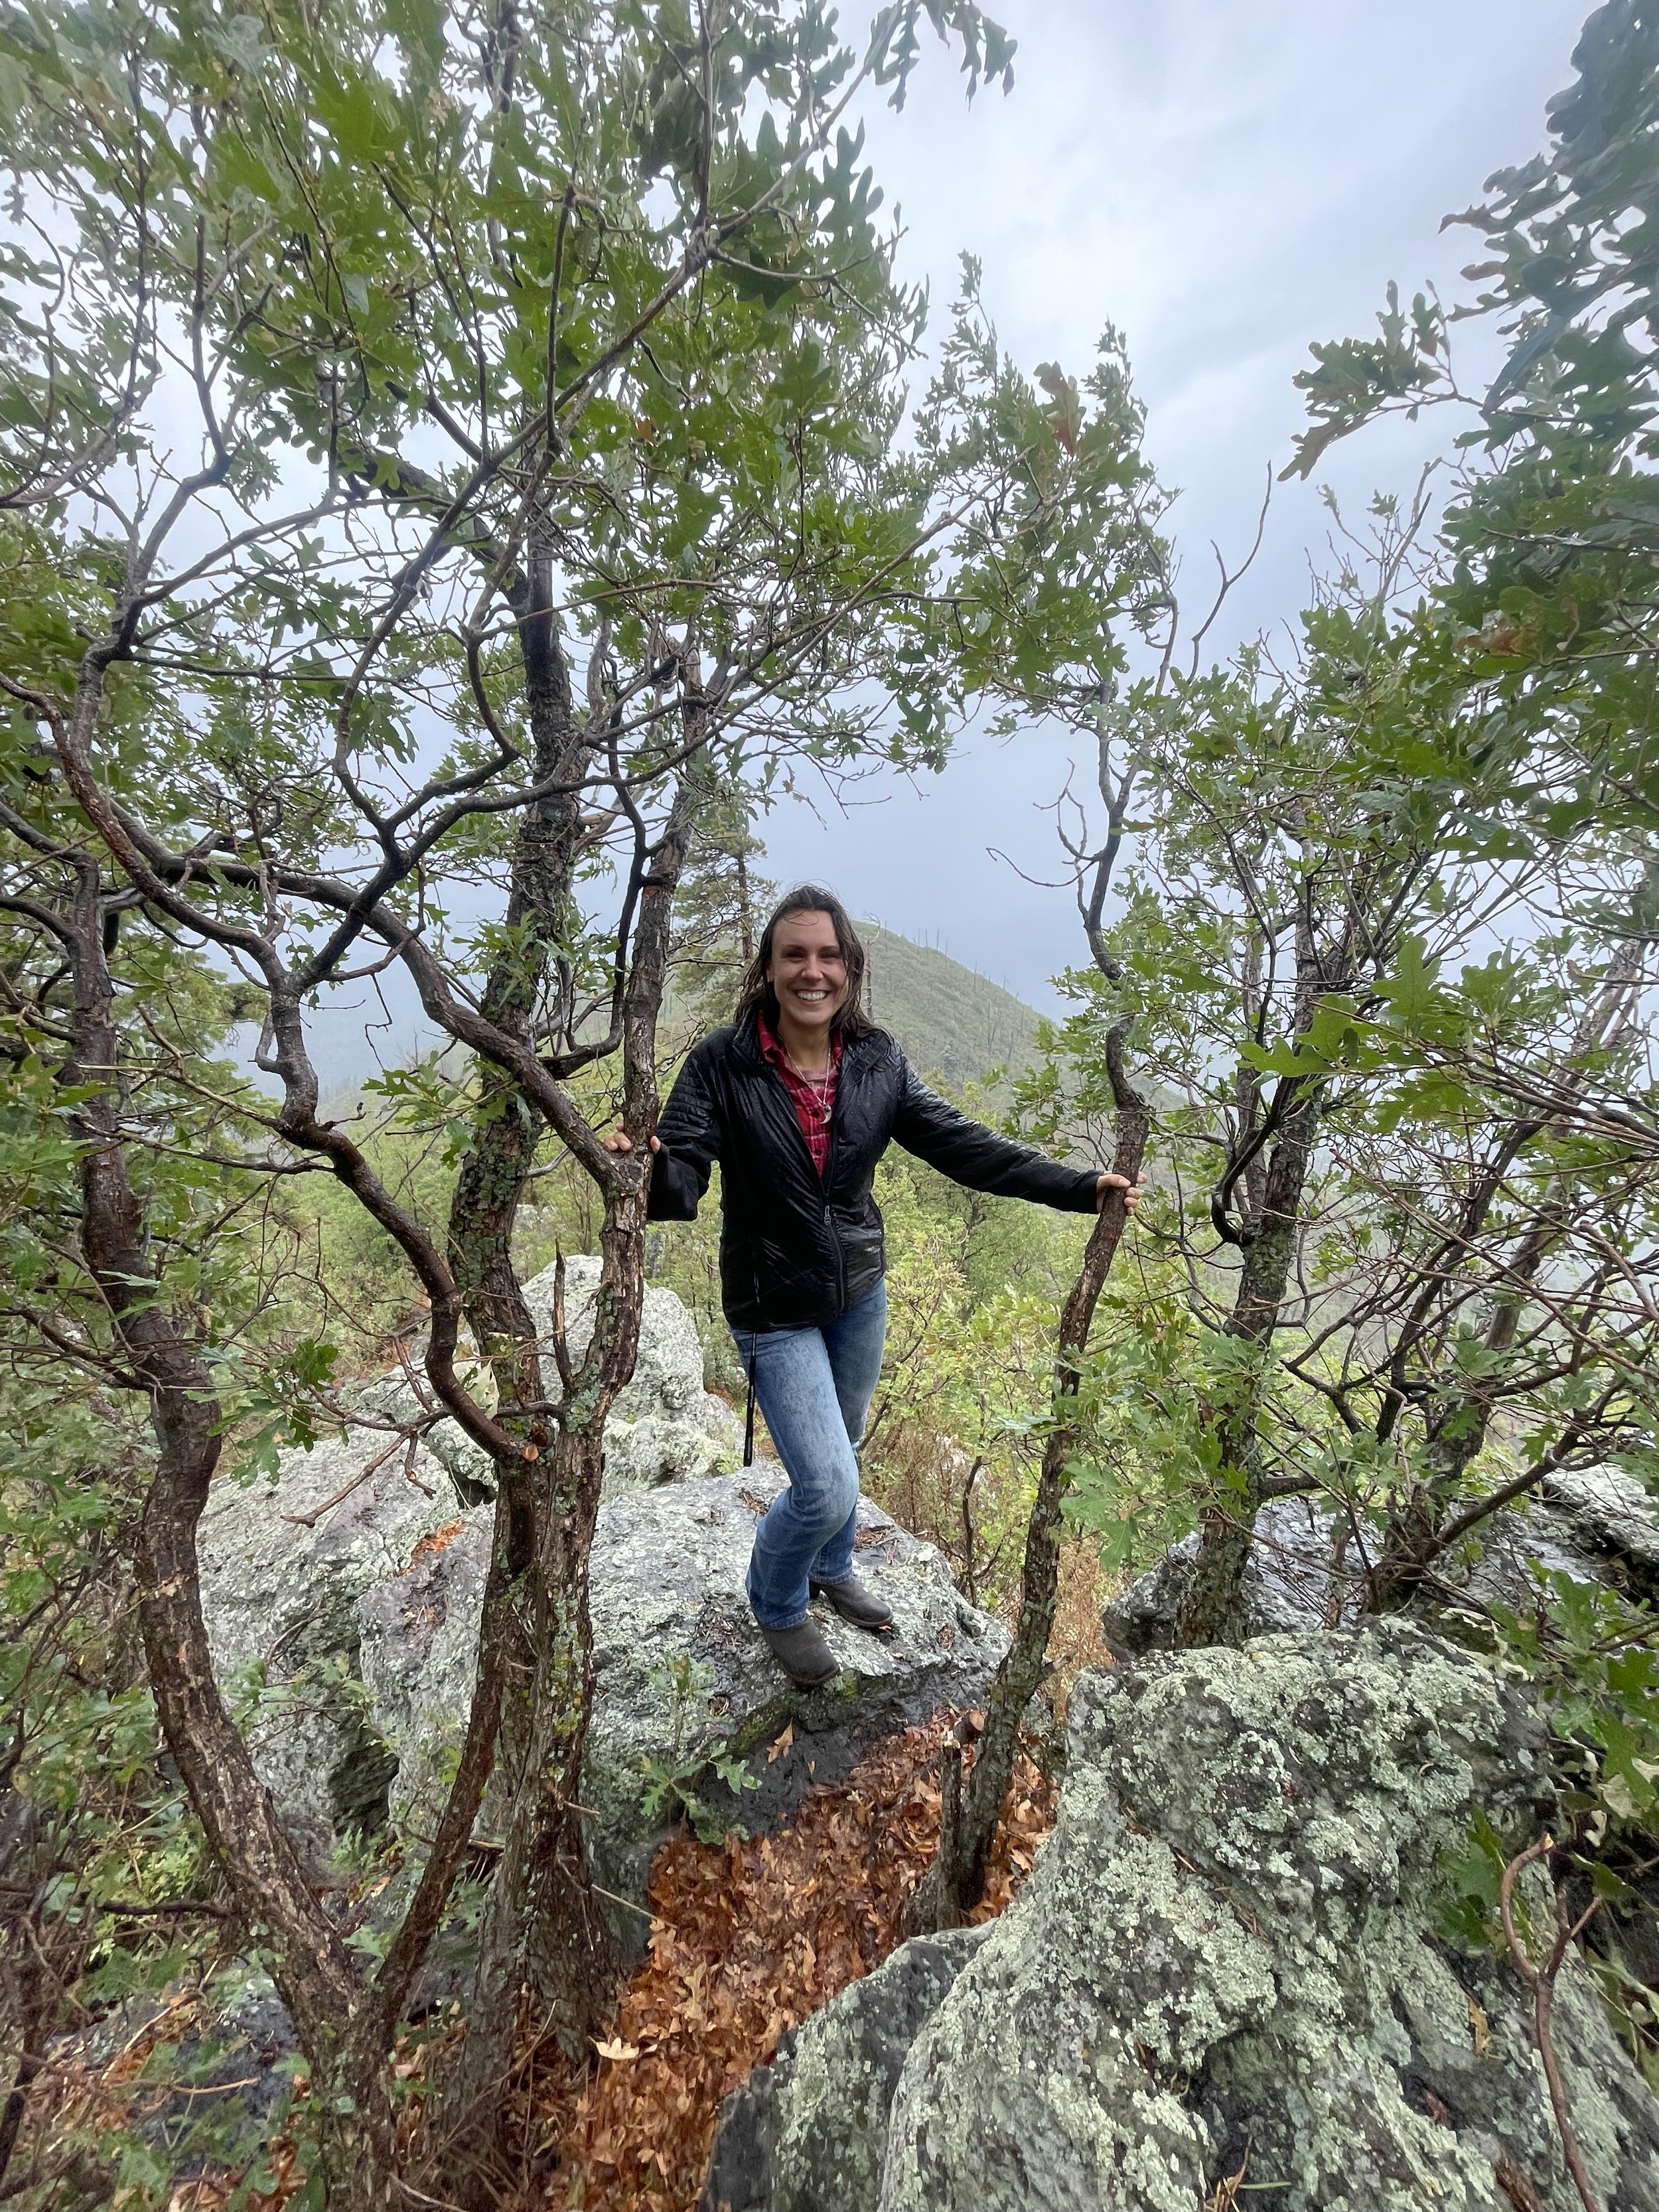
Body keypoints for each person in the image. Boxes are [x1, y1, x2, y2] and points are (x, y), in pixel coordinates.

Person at [605, 887, 1143, 1689]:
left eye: (828, 956)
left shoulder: (878, 1061)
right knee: (824, 1482)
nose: (811, 972)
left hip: (859, 1288)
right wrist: (641, 1166)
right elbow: (684, 1166)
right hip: (771, 1302)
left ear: (851, 970)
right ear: (768, 968)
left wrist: (1074, 1187)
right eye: (794, 955)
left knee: (845, 1445)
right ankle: (777, 1600)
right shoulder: (723, 1062)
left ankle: (831, 1563)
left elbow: (964, 1146)